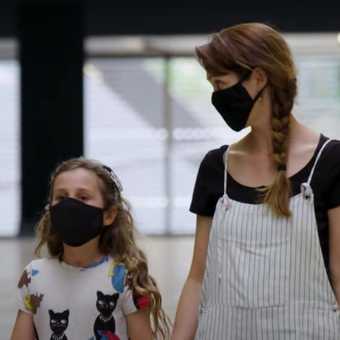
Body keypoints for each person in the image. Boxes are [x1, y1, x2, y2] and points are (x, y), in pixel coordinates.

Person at [172, 23, 340, 339]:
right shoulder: (215, 168)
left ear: (259, 78)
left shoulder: (330, 162)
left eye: (220, 84)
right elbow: (198, 277)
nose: (216, 97)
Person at [11, 158, 171, 340]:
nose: (70, 206)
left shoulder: (125, 277)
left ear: (109, 215)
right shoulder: (33, 275)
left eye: (83, 197)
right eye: (62, 197)